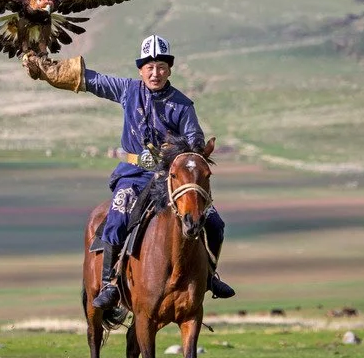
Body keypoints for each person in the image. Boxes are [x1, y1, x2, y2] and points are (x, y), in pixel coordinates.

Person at [23, 35, 235, 309]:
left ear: (169, 69)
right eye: (149, 67)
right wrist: (47, 69)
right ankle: (111, 283)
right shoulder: (127, 91)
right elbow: (93, 81)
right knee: (117, 214)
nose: (155, 72)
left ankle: (211, 276)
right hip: (134, 174)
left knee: (215, 223)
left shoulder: (183, 105)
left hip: (171, 180)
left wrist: (185, 157)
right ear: (140, 70)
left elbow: (194, 142)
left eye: (160, 66)